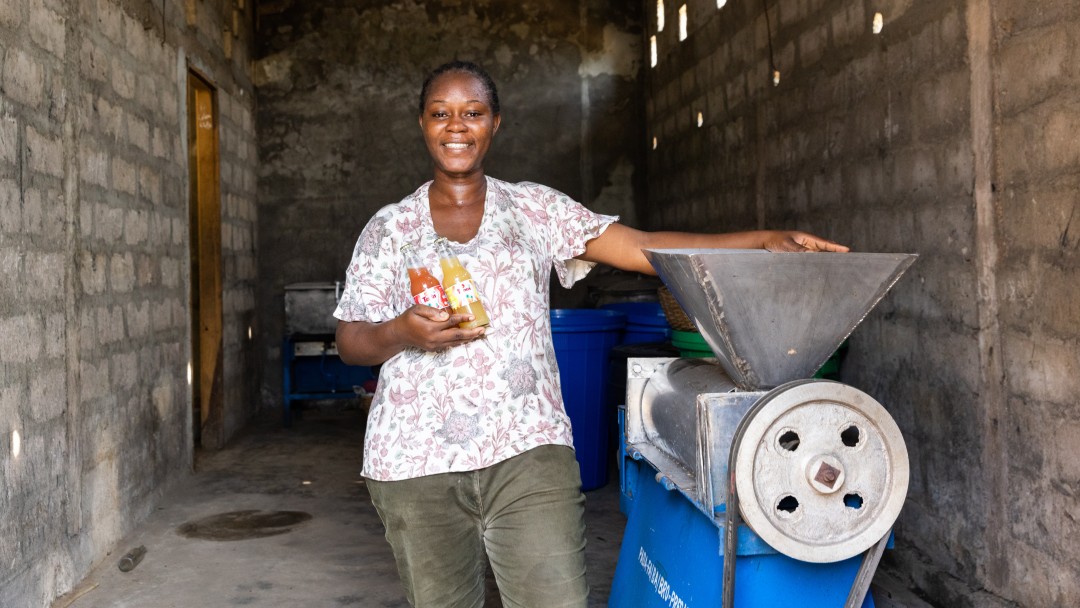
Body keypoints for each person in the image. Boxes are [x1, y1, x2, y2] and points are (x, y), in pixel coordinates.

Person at [333, 60, 848, 608]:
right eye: (441, 113)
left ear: (495, 123)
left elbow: (642, 247)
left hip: (528, 447)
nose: (456, 126)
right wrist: (404, 331)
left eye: (472, 113)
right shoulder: (389, 228)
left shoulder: (534, 208)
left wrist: (762, 239)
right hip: (416, 461)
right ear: (422, 123)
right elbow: (350, 341)